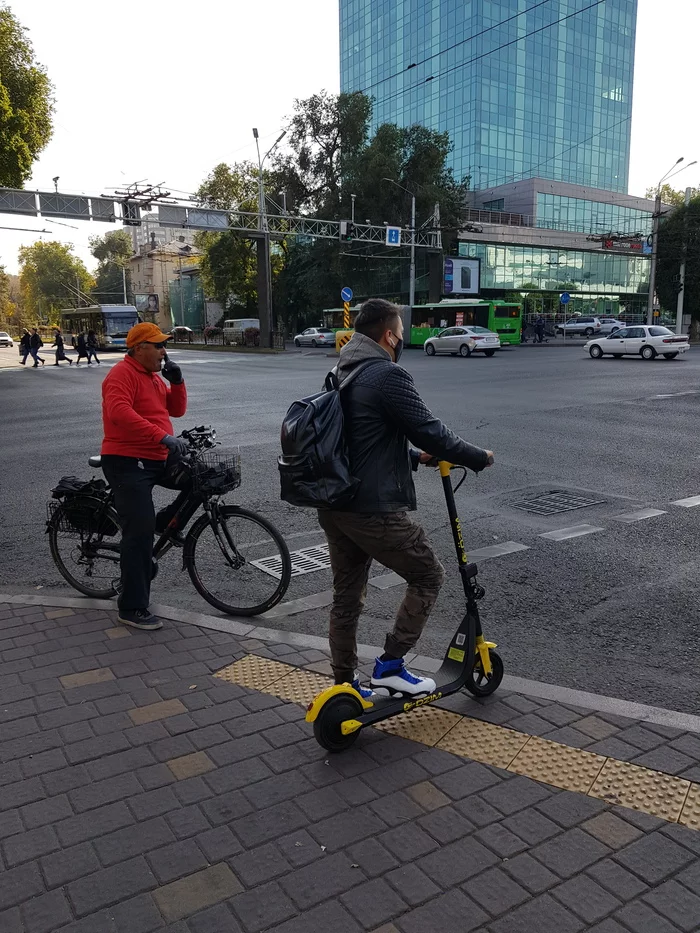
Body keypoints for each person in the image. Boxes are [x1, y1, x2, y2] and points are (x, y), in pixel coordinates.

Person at [318, 298, 494, 699]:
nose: (403, 340)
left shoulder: (340, 370)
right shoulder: (386, 374)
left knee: (346, 596)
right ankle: (391, 667)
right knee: (428, 575)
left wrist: (414, 457)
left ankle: (344, 685)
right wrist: (477, 458)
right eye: (401, 333)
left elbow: (357, 436)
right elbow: (431, 430)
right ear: (389, 335)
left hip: (335, 503)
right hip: (372, 508)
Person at [100, 322, 187, 631]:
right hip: (125, 460)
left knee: (202, 478)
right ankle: (132, 607)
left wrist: (176, 382)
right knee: (138, 531)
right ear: (139, 349)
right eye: (158, 345)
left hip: (155, 458)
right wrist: (161, 438)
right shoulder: (121, 375)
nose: (164, 351)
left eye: (164, 345)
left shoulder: (151, 377)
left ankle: (165, 521)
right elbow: (119, 413)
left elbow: (175, 411)